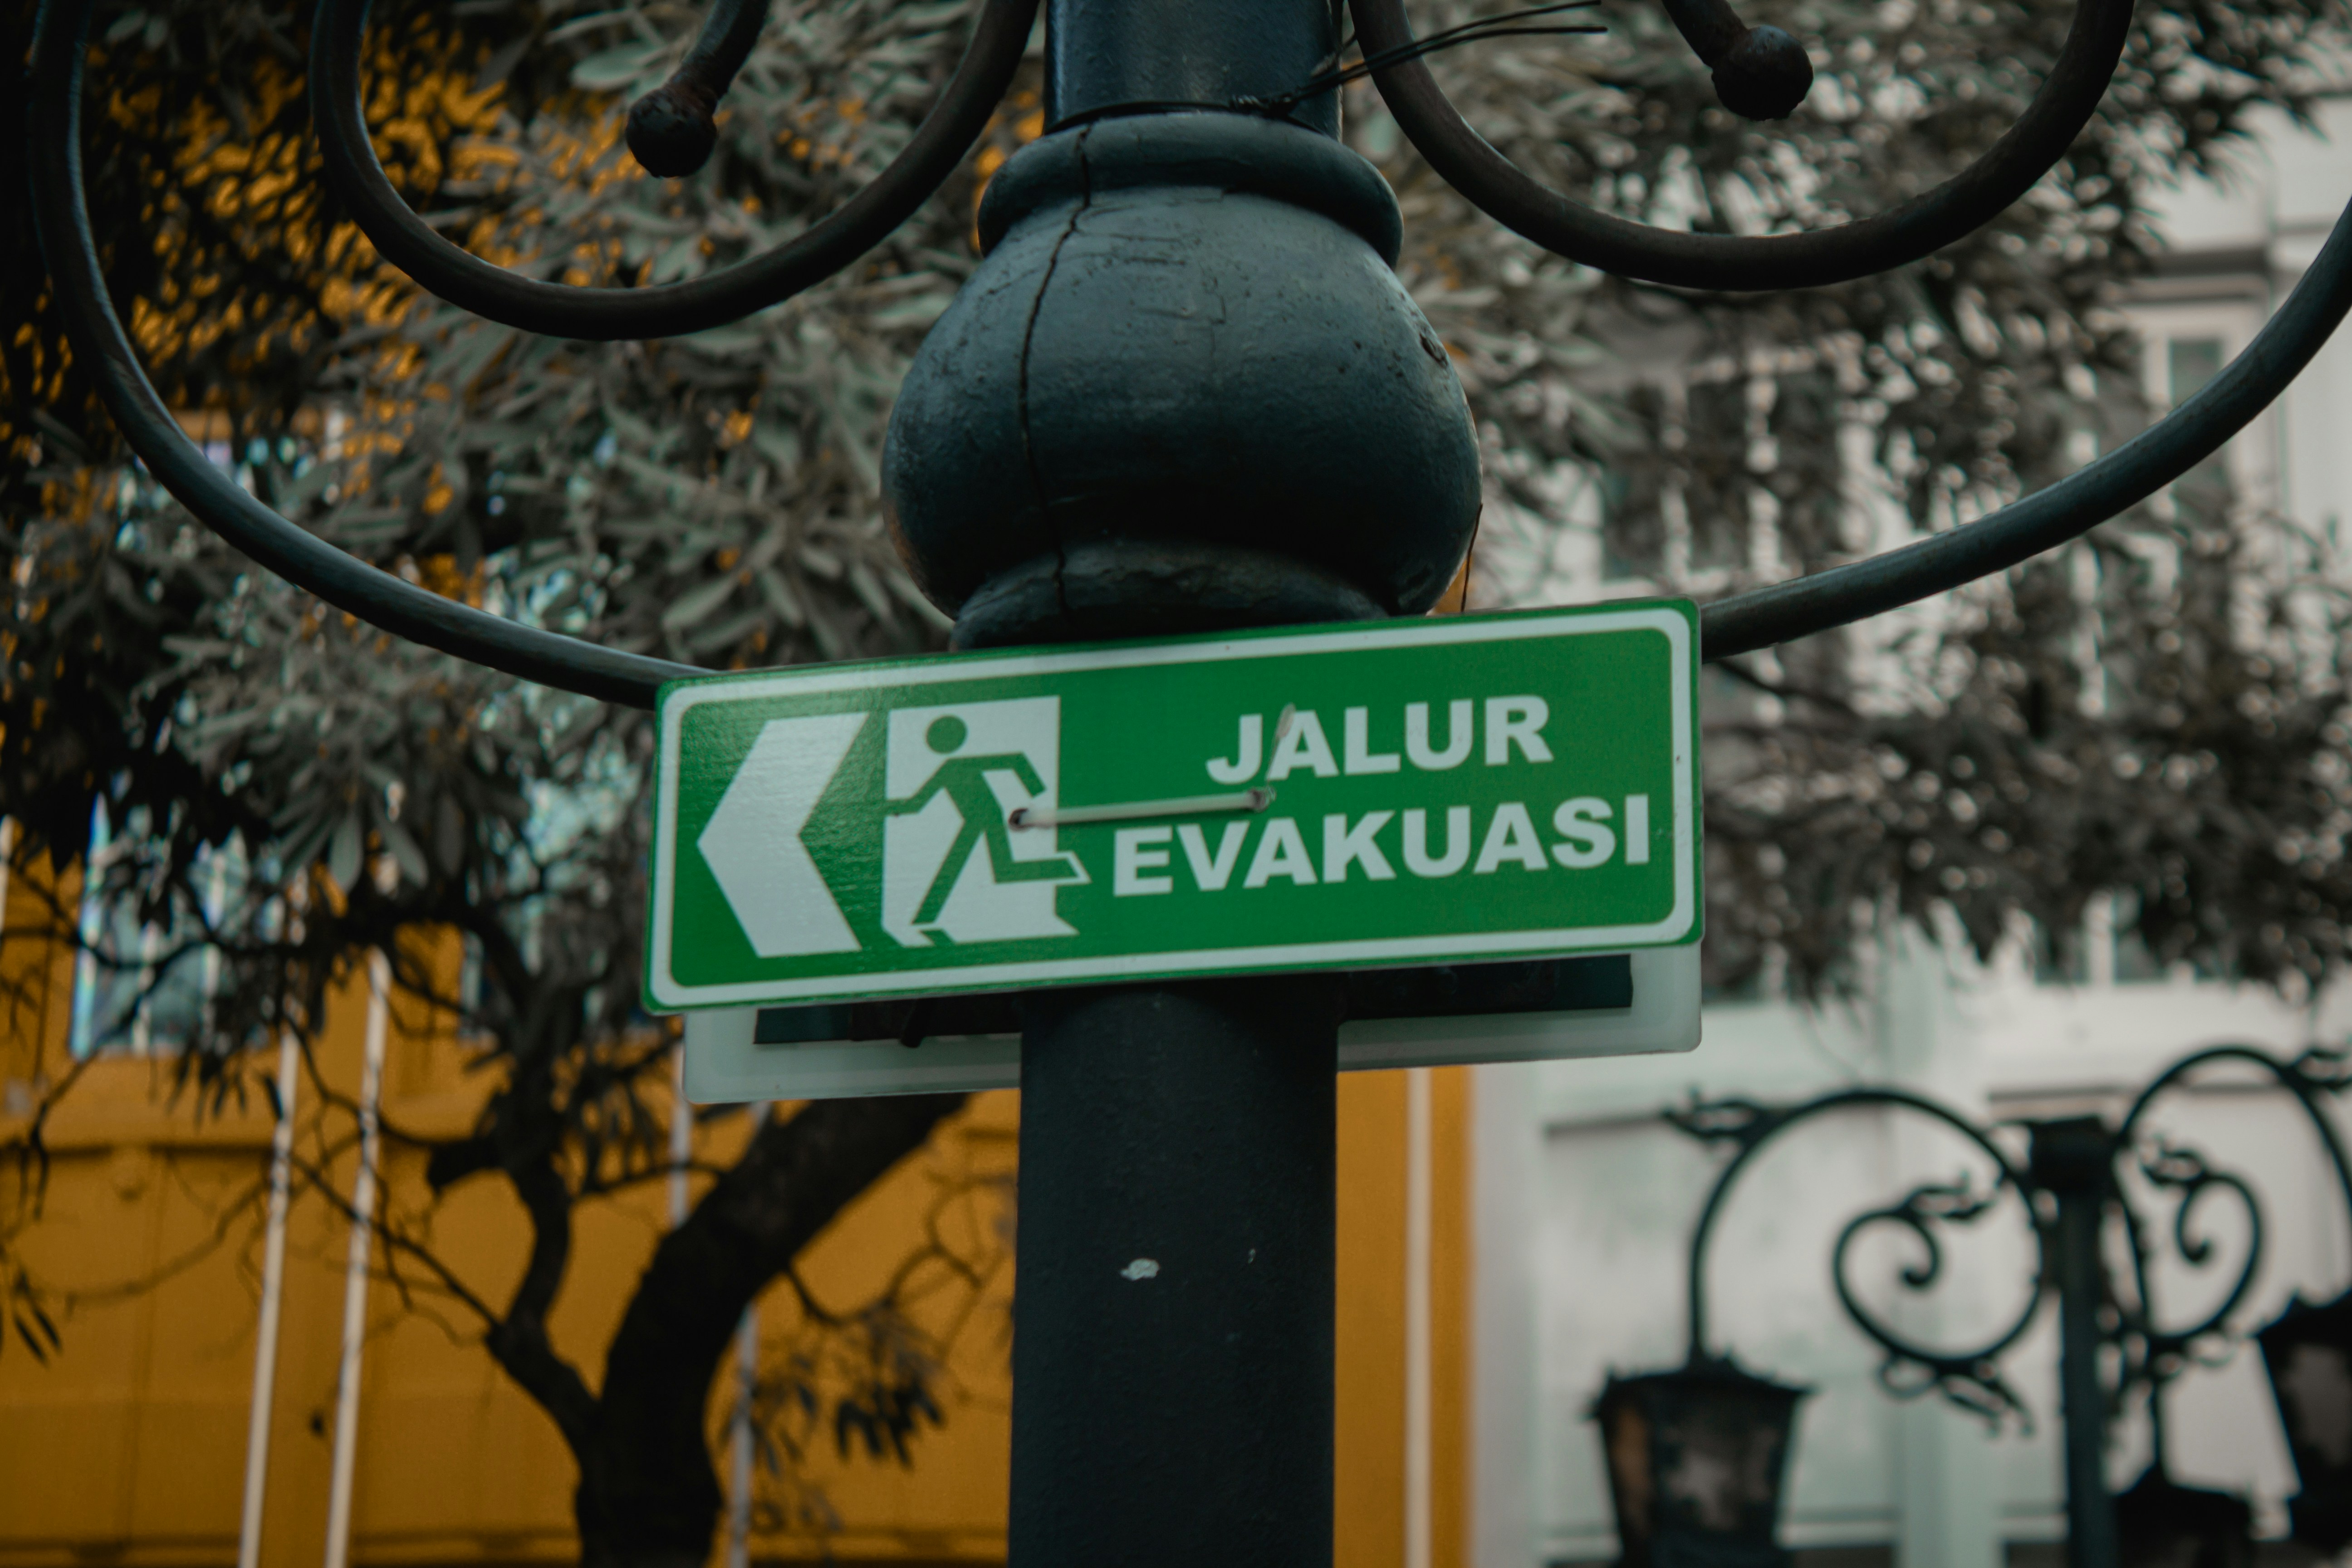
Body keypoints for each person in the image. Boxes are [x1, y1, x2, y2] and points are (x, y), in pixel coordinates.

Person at [885, 714, 1083, 938]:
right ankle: (1062, 869)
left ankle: (926, 917)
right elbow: (918, 802)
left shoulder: (951, 768)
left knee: (969, 866)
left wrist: (1035, 789)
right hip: (979, 820)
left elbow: (1013, 760)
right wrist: (890, 809)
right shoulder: (950, 768)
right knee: (997, 868)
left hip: (986, 817)